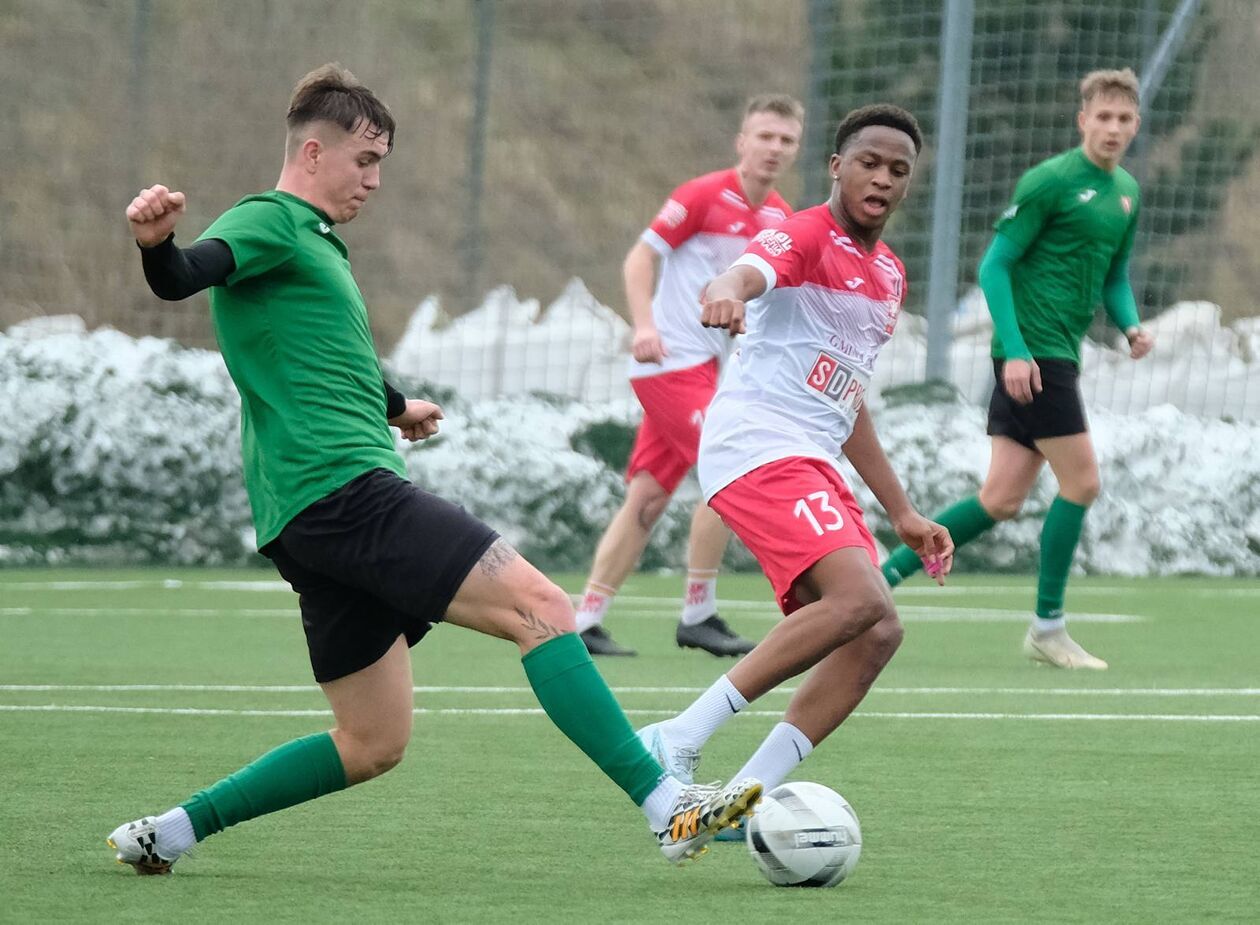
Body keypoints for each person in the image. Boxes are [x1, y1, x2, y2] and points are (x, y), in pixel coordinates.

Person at [106, 63, 761, 875]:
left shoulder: (311, 245)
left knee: (373, 742)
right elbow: (184, 275)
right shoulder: (271, 220)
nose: (375, 180)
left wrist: (395, 403)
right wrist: (157, 244)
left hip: (304, 516)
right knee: (544, 608)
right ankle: (669, 807)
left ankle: (168, 831)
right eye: (365, 160)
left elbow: (321, 351)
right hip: (344, 490)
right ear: (313, 152)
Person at [634, 104, 953, 815]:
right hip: (757, 444)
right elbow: (750, 270)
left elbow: (848, 398)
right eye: (869, 162)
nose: (883, 178)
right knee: (861, 598)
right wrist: (724, 289)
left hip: (810, 454)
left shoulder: (889, 276)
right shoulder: (802, 232)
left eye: (898, 170)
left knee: (876, 631)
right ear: (838, 166)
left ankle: (733, 800)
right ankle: (677, 738)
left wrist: (901, 510)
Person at [880, 68, 1154, 670]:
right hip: (1036, 356)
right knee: (1082, 483)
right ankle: (1047, 627)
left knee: (1001, 498)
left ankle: (884, 576)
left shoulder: (1127, 193)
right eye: (1102, 117)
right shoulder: (1051, 181)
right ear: (1083, 120)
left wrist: (1130, 324)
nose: (1112, 128)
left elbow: (1114, 275)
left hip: (1054, 355)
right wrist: (1016, 348)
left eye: (1123, 119)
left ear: (1135, 125)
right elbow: (995, 267)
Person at [577, 94, 804, 658]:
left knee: (648, 500)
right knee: (728, 467)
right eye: (765, 136)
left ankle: (583, 621)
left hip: (711, 374)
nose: (774, 148)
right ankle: (698, 613)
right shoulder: (702, 195)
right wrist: (644, 326)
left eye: (786, 140)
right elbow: (639, 257)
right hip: (670, 365)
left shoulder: (779, 217)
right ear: (741, 141)